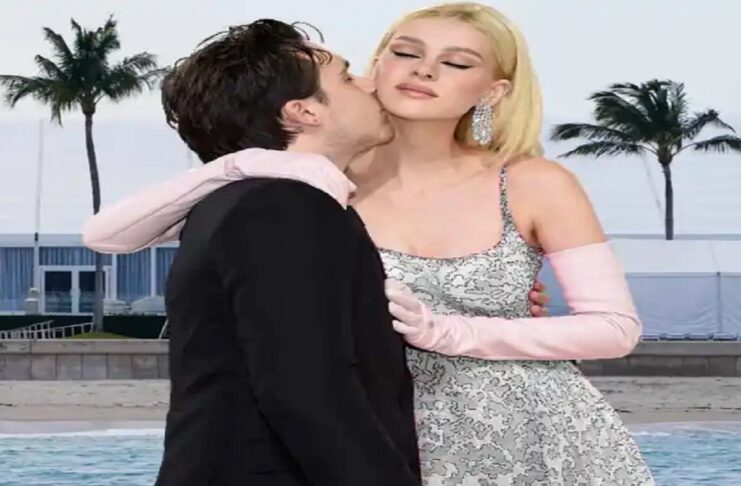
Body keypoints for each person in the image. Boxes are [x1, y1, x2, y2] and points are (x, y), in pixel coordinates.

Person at [84, 4, 653, 485]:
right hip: (388, 436)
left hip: (537, 432)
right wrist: (236, 163)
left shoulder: (532, 182)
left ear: (493, 91)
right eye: (405, 52)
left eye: (456, 63)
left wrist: (456, 329)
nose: (424, 70)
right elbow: (112, 233)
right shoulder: (311, 185)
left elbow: (614, 327)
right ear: (377, 65)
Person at [132, 20, 421, 486]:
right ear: (304, 112)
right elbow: (306, 389)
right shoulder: (282, 207)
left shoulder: (252, 204)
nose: (371, 84)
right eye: (347, 77)